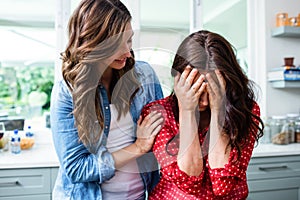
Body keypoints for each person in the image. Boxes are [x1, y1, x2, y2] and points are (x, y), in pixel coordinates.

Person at [50, 0, 164, 199]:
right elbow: (77, 169)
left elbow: (164, 135)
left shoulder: (144, 76)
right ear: (93, 43)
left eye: (129, 40)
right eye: (117, 45)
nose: (128, 52)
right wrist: (138, 147)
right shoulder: (67, 91)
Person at [141, 30, 264, 200]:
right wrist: (187, 110)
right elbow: (189, 180)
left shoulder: (245, 110)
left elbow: (223, 186)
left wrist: (219, 110)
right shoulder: (158, 113)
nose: (205, 102)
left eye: (213, 90)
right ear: (178, 81)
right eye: (195, 88)